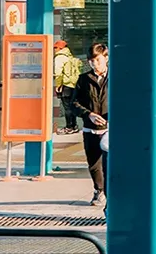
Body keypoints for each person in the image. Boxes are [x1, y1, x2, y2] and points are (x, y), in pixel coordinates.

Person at [72, 43, 108, 208]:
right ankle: (99, 190)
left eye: (98, 60)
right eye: (91, 60)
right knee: (94, 163)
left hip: (109, 129)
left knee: (109, 163)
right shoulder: (83, 79)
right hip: (90, 127)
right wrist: (89, 114)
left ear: (106, 58)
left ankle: (109, 193)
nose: (95, 63)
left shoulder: (116, 78)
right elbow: (74, 103)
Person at [53, 40, 82, 135]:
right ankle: (74, 126)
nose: (54, 50)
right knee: (71, 106)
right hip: (73, 84)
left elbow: (58, 73)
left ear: (60, 48)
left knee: (67, 107)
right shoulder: (70, 56)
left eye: (55, 48)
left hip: (65, 85)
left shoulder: (60, 57)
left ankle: (69, 127)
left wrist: (58, 85)